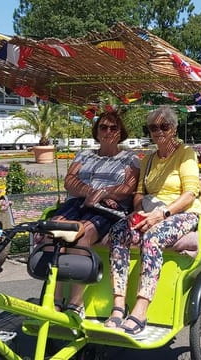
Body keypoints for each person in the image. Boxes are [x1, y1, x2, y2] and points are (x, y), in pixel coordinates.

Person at [105, 106, 201, 338]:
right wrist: (138, 213)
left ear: (174, 128)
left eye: (164, 126)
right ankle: (119, 305)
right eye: (153, 127)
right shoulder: (148, 159)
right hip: (151, 212)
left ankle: (141, 309)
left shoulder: (185, 154)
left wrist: (163, 214)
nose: (159, 131)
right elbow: (139, 193)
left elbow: (190, 193)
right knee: (119, 231)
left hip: (182, 213)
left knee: (153, 237)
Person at [41, 110, 139, 318]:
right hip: (79, 202)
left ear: (121, 132)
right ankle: (55, 299)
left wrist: (102, 195)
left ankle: (76, 303)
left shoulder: (129, 158)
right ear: (97, 131)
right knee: (54, 230)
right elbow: (70, 181)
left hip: (108, 208)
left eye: (113, 128)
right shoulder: (84, 155)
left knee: (81, 235)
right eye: (103, 127)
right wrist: (89, 192)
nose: (108, 132)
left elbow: (128, 188)